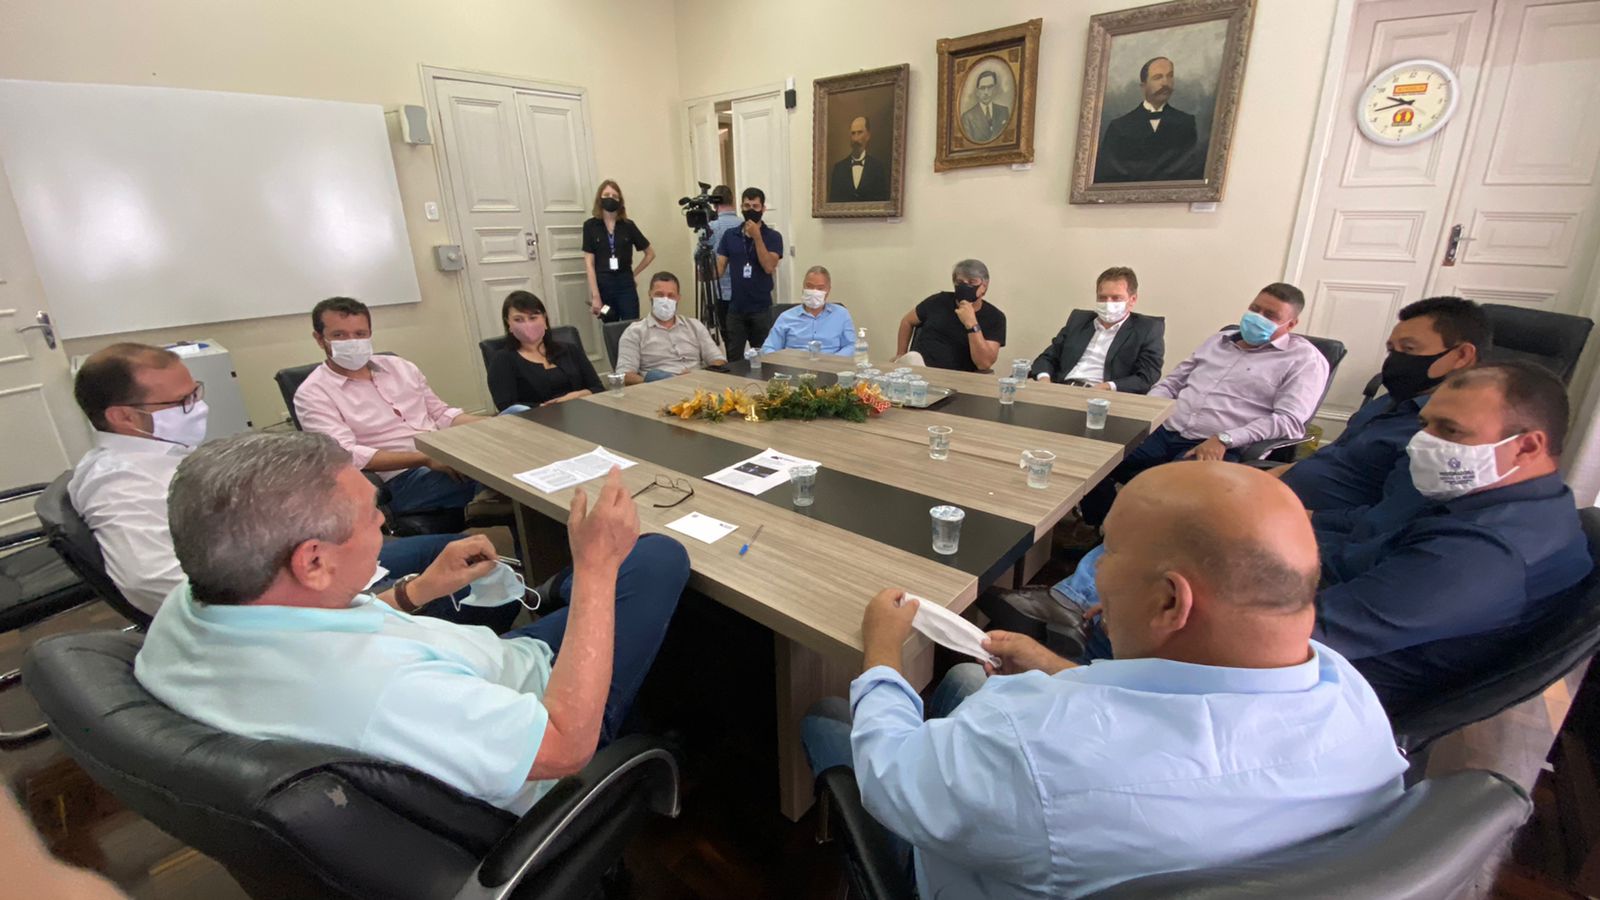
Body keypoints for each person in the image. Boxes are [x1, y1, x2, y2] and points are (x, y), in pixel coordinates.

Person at [802, 462, 1406, 898]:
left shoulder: (1034, 746)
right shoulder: (1349, 694)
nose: (1096, 570)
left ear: (1170, 602)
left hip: (969, 864)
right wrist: (1056, 668)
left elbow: (887, 777)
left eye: (1107, 552)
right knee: (963, 677)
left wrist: (884, 651)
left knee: (829, 721)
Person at [135, 431, 692, 814]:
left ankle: (560, 594)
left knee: (615, 578)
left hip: (481, 666)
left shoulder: (196, 602)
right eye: (371, 515)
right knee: (657, 558)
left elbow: (319, 627)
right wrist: (595, 569)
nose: (384, 521)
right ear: (313, 562)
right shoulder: (377, 694)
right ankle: (572, 592)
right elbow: (565, 748)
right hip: (551, 711)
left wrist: (416, 591)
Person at [67, 343, 508, 628]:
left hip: (306, 561)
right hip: (297, 598)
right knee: (474, 585)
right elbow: (156, 585)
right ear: (123, 416)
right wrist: (314, 593)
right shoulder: (121, 482)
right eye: (183, 401)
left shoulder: (163, 454)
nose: (197, 408)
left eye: (196, 393)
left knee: (460, 551)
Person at [1315, 362, 1593, 713]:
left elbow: (1306, 633)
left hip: (1331, 688)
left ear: (1526, 447)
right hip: (1337, 615)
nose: (1420, 444)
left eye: (1450, 430)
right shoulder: (1495, 499)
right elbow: (1362, 550)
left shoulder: (1482, 554)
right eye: (1425, 425)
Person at [1078, 282, 1329, 525]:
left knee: (1170, 496)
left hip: (1220, 444)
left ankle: (1135, 539)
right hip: (1165, 429)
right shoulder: (1218, 341)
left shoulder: (1304, 360)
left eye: (1270, 315)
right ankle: (1102, 528)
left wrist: (1225, 439)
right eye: (1255, 309)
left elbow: (1289, 421)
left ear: (1291, 324)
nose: (1258, 317)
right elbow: (1171, 384)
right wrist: (1149, 413)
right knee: (1092, 461)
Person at [1278, 297, 1489, 536]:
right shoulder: (1387, 402)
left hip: (1314, 533)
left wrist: (1284, 514)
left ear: (1461, 356)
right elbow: (1332, 458)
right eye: (1392, 350)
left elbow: (1384, 522)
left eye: (1409, 349)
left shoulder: (1444, 435)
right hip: (1283, 504)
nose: (1395, 360)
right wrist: (1267, 480)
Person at [294, 296, 485, 517]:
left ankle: (491, 499)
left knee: (514, 418)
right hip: (403, 477)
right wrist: (425, 458)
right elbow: (345, 455)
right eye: (339, 335)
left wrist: (501, 424)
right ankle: (490, 496)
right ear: (320, 339)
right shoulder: (313, 393)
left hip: (446, 450)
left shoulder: (400, 367)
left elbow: (441, 414)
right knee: (495, 471)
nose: (352, 341)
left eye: (360, 334)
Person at [1029, 266, 1165, 392]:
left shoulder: (1148, 329)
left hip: (1104, 397)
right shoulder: (1079, 320)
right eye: (1102, 298)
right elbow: (1048, 357)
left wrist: (1107, 387)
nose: (1108, 303)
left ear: (1132, 300)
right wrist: (1044, 380)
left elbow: (1146, 377)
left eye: (1116, 298)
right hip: (1062, 389)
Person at [486, 291, 604, 412]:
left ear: (544, 318)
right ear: (508, 323)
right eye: (518, 319)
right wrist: (548, 408)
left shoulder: (569, 350)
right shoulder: (502, 359)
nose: (527, 324)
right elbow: (507, 406)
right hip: (534, 420)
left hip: (581, 412)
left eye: (533, 318)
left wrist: (576, 396)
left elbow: (598, 388)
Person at [1093, 56, 1205, 184]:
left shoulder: (1186, 123)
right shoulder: (1119, 126)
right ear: (1143, 86)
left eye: (1169, 76)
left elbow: (1190, 171)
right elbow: (1108, 173)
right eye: (1158, 77)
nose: (1165, 83)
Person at [896, 259, 1006, 372]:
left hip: (957, 376)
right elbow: (907, 321)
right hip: (919, 370)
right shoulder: (938, 301)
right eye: (960, 282)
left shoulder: (995, 317)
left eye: (972, 282)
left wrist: (971, 324)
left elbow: (984, 364)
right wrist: (900, 354)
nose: (965, 286)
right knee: (913, 358)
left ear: (984, 286)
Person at [615, 272, 725, 384]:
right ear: (650, 295)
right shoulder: (634, 332)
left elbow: (718, 360)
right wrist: (653, 381)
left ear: (678, 298)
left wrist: (699, 375)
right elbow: (624, 375)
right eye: (659, 295)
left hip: (698, 385)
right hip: (659, 388)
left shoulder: (694, 325)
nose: (665, 300)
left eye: (671, 295)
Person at [715, 187, 784, 360]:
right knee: (734, 358)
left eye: (755, 206)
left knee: (764, 358)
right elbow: (719, 268)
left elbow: (769, 267)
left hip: (761, 309)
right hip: (736, 308)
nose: (751, 210)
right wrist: (704, 268)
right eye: (747, 206)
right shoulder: (730, 235)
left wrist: (757, 237)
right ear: (741, 207)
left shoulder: (773, 236)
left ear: (763, 208)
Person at [582, 180, 655, 323]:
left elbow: (650, 254)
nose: (610, 198)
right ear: (599, 198)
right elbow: (589, 263)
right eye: (606, 195)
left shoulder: (628, 225)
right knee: (610, 326)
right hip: (603, 285)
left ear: (620, 201)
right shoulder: (590, 226)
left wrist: (633, 274)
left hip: (625, 284)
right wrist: (596, 296)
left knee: (632, 326)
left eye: (615, 196)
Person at [760, 265, 856, 357]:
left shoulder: (841, 315)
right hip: (793, 365)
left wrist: (832, 361)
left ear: (828, 290)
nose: (814, 291)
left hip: (831, 364)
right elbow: (768, 348)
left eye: (820, 288)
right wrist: (783, 361)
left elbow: (851, 346)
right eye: (809, 286)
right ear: (803, 287)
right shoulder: (786, 317)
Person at [827, 116, 891, 202]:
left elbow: (883, 201)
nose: (856, 139)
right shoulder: (839, 169)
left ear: (868, 135)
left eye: (860, 132)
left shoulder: (878, 168)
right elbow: (833, 203)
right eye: (853, 133)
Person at [706, 184, 742, 332]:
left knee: (727, 334)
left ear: (714, 205)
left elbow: (700, 256)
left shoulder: (711, 227)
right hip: (743, 289)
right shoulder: (744, 224)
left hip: (721, 290)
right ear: (732, 200)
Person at [959, 70, 1010, 144]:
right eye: (982, 88)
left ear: (994, 89)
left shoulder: (1004, 111)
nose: (986, 92)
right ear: (977, 92)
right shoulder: (967, 117)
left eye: (990, 87)